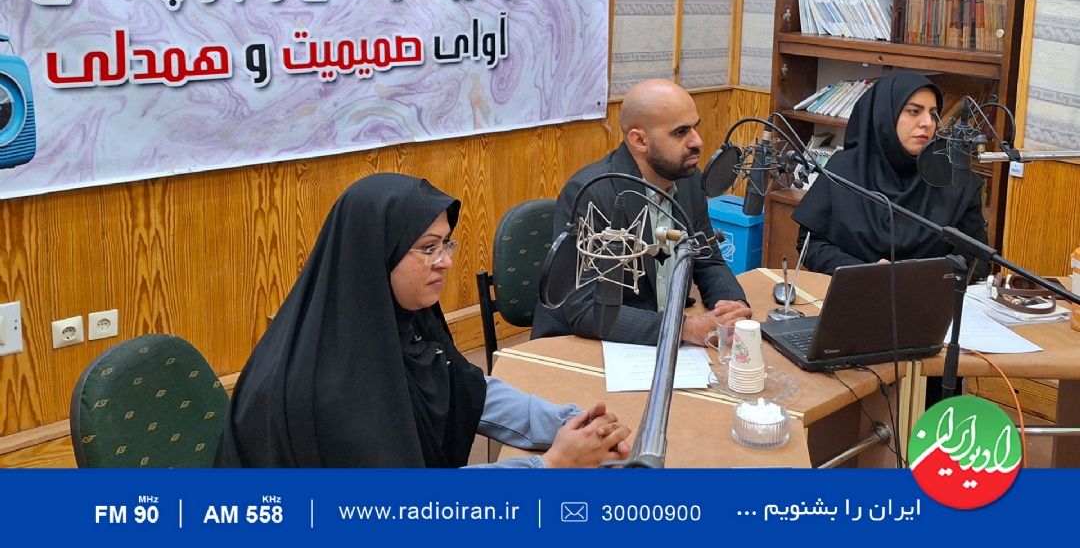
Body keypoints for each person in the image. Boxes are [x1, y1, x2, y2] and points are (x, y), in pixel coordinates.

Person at [216, 173, 631, 468]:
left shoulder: (398, 318)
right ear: (378, 256)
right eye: (428, 248)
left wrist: (567, 422)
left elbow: (463, 388)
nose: (445, 261)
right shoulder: (328, 387)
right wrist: (552, 465)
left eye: (446, 244)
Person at [531, 79, 751, 347]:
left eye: (696, 127)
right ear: (639, 140)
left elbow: (708, 259)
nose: (697, 141)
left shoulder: (690, 180)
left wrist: (733, 305)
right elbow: (586, 310)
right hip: (582, 343)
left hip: (655, 336)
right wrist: (682, 328)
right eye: (680, 132)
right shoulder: (593, 192)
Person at [792, 71, 988, 277]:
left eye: (933, 113)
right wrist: (862, 272)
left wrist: (916, 278)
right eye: (914, 111)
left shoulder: (955, 179)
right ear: (884, 115)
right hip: (855, 289)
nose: (927, 123)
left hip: (927, 294)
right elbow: (811, 244)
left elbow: (977, 260)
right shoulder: (843, 170)